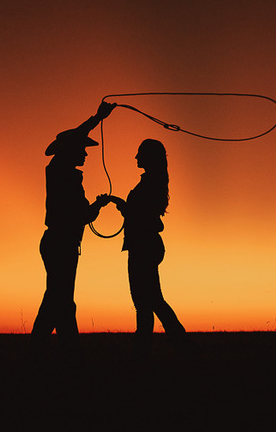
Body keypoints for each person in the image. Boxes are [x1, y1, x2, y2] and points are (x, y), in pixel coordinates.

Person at [31, 101, 115, 344]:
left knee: (57, 300)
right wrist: (97, 118)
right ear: (71, 150)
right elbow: (83, 216)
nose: (86, 153)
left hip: (59, 242)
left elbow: (82, 215)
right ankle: (64, 355)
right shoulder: (61, 171)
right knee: (61, 301)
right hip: (62, 244)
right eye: (82, 148)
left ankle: (42, 355)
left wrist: (96, 206)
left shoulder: (61, 171)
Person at [107, 138, 186, 356]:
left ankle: (166, 347)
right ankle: (159, 347)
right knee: (150, 300)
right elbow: (144, 213)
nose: (136, 157)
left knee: (148, 301)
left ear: (148, 157)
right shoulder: (155, 181)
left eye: (140, 153)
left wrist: (124, 207)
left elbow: (141, 215)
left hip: (143, 246)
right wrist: (123, 205)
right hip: (146, 244)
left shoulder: (150, 183)